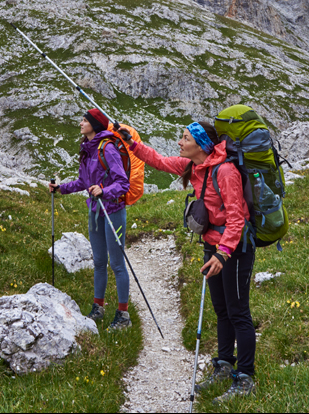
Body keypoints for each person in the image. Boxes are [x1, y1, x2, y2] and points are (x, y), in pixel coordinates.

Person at [121, 121, 256, 399]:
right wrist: (132, 144)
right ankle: (223, 365)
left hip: (235, 250)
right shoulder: (192, 166)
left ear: (201, 145)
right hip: (212, 246)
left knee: (238, 312)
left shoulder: (226, 171)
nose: (180, 143)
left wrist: (223, 253)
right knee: (221, 309)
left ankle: (245, 378)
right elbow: (157, 161)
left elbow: (237, 218)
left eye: (185, 138)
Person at [48, 108, 132, 330]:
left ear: (95, 125)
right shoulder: (87, 150)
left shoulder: (108, 148)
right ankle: (98, 307)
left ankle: (123, 315)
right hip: (95, 210)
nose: (80, 123)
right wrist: (60, 189)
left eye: (85, 120)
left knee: (116, 263)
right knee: (98, 261)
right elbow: (83, 182)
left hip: (113, 210)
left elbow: (123, 183)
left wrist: (104, 191)